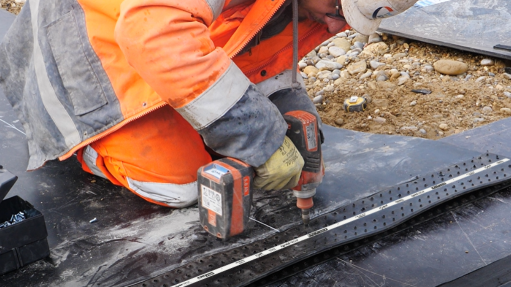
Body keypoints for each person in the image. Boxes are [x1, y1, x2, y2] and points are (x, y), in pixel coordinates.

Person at [0, 0, 417, 208]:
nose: (333, 25)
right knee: (178, 186)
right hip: (83, 34)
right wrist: (257, 135)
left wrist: (281, 105)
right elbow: (154, 32)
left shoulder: (320, 6)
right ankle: (87, 144)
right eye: (337, 9)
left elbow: (259, 47)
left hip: (151, 23)